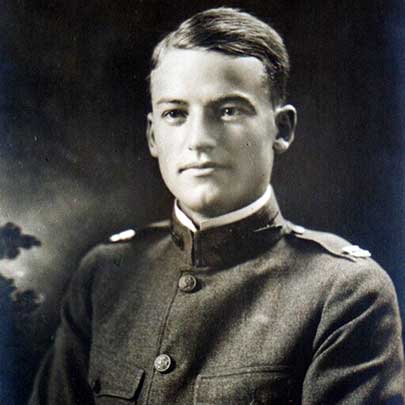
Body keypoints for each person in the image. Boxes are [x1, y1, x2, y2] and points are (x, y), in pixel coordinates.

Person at [30, 7, 404, 404]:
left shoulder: (343, 293)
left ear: (282, 128)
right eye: (175, 114)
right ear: (153, 136)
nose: (198, 139)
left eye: (228, 111)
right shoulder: (104, 274)